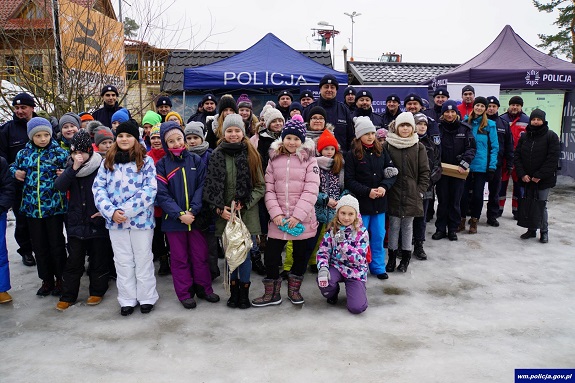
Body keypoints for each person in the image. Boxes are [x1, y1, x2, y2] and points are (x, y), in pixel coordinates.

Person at [92, 119, 159, 316]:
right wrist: (111, 212)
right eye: (120, 136)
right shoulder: (107, 162)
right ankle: (127, 298)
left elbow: (149, 189)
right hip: (115, 222)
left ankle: (147, 296)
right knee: (122, 260)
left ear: (136, 139)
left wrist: (127, 211)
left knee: (143, 258)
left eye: (128, 135)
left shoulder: (146, 162)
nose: (124, 139)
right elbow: (98, 189)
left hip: (141, 221)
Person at [252, 117, 320, 307]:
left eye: (296, 139)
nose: (292, 142)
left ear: (302, 140)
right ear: (283, 138)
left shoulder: (310, 160)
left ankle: (294, 289)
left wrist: (298, 215)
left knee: (300, 256)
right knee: (272, 256)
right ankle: (272, 293)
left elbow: (311, 189)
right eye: (288, 138)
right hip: (279, 219)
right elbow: (269, 189)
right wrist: (276, 214)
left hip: (302, 219)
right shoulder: (274, 160)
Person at [203, 114, 265, 309]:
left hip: (246, 213)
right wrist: (218, 208)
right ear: (223, 132)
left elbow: (260, 186)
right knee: (231, 254)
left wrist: (245, 203)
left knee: (245, 254)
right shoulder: (216, 155)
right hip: (225, 214)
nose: (233, 134)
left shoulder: (252, 154)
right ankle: (233, 289)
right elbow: (210, 188)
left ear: (243, 132)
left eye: (237, 130)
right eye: (229, 131)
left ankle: (244, 292)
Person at [156, 121, 219, 309]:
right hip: (174, 222)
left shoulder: (195, 160)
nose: (176, 144)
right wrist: (179, 214)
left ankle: (204, 288)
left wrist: (193, 210)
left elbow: (202, 186)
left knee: (200, 255)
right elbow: (162, 194)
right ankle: (185, 293)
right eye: (171, 141)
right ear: (165, 144)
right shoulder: (162, 165)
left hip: (195, 218)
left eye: (179, 139)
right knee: (179, 258)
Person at [10, 117, 68, 296]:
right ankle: (46, 280)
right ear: (31, 137)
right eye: (38, 135)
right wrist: (16, 172)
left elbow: (71, 169)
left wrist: (65, 172)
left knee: (56, 245)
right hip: (32, 208)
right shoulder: (24, 154)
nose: (43, 139)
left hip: (54, 207)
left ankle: (60, 279)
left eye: (46, 135)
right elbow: (12, 167)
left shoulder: (59, 153)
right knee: (39, 246)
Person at [54, 130, 112, 311]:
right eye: (75, 152)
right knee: (74, 261)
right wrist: (73, 169)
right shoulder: (71, 168)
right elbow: (59, 186)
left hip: (96, 221)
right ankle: (68, 295)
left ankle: (97, 290)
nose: (79, 155)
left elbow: (110, 190)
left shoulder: (101, 166)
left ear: (90, 150)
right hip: (76, 222)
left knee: (98, 259)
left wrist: (105, 211)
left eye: (82, 152)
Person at [345, 116, 397, 280]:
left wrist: (384, 186)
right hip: (362, 205)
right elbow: (349, 180)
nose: (370, 136)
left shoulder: (382, 151)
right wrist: (367, 191)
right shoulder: (352, 154)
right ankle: (358, 266)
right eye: (366, 133)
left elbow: (391, 172)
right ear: (359, 135)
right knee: (359, 237)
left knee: (379, 235)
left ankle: (378, 266)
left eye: (372, 133)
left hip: (380, 204)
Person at [383, 112, 430, 273]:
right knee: (394, 226)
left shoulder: (419, 146)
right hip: (393, 192)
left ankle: (405, 259)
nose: (405, 128)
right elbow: (383, 167)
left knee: (408, 226)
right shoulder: (388, 145)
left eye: (408, 125)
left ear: (413, 128)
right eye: (402, 125)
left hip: (412, 193)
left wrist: (419, 191)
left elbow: (425, 172)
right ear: (396, 127)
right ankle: (391, 258)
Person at [0, 92, 37, 266]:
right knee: (22, 221)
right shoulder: (7, 130)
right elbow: (2, 158)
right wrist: (12, 172)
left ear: (32, 107)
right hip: (18, 185)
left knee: (42, 221)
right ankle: (26, 251)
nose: (19, 111)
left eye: (23, 107)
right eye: (16, 108)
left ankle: (41, 248)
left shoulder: (43, 125)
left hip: (41, 185)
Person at [316, 195, 368, 314]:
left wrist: (343, 244)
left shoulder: (362, 232)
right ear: (337, 213)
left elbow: (359, 260)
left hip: (355, 271)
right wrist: (323, 267)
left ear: (356, 215)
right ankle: (333, 292)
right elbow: (323, 251)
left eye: (350, 214)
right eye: (343, 213)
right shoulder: (332, 230)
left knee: (357, 308)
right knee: (324, 280)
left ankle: (358, 291)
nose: (346, 217)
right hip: (336, 267)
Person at [432, 101, 476, 241]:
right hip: (442, 172)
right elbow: (432, 148)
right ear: (443, 114)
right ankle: (440, 229)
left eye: (452, 112)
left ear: (457, 113)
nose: (449, 115)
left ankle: (452, 229)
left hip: (458, 171)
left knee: (455, 201)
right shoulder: (437, 129)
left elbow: (471, 148)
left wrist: (464, 163)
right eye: (446, 112)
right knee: (443, 201)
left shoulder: (465, 129)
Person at [514, 109, 560, 243]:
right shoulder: (525, 136)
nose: (535, 122)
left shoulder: (551, 136)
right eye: (533, 119)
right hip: (527, 178)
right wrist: (522, 174)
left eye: (538, 119)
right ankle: (531, 229)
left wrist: (539, 175)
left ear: (543, 121)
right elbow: (517, 156)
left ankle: (544, 232)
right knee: (529, 204)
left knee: (541, 205)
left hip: (543, 179)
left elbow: (552, 159)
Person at [184, 121, 220, 281]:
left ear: (202, 138)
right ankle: (198, 272)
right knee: (196, 246)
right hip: (191, 207)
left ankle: (212, 272)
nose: (192, 141)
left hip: (209, 207)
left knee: (211, 244)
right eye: (189, 138)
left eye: (195, 137)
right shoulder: (183, 157)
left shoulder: (210, 155)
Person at [458, 97, 499, 234]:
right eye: (477, 105)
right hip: (466, 165)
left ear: (485, 109)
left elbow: (494, 147)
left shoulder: (490, 125)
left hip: (481, 166)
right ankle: (462, 220)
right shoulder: (465, 122)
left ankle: (474, 220)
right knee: (462, 195)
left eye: (482, 106)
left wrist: (492, 166)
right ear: (474, 106)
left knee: (477, 195)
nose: (479, 108)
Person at [412, 113, 441, 260]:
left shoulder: (431, 144)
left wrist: (427, 182)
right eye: (419, 123)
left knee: (421, 218)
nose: (422, 126)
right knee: (406, 218)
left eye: (424, 124)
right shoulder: (408, 142)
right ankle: (403, 245)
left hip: (426, 187)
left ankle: (419, 245)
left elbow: (437, 166)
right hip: (409, 188)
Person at [303, 74, 355, 153]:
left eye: (332, 87)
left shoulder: (344, 110)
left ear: (336, 90)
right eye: (326, 87)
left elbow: (350, 137)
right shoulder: (309, 110)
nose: (329, 90)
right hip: (313, 160)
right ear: (320, 89)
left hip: (340, 160)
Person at [499, 96, 530, 219]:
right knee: (501, 185)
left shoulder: (527, 120)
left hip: (520, 159)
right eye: (513, 104)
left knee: (519, 186)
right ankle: (498, 209)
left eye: (517, 105)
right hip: (505, 158)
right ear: (509, 105)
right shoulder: (502, 118)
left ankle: (517, 211)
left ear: (521, 107)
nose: (515, 107)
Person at [485, 96, 514, 227]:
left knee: (494, 191)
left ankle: (492, 216)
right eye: (489, 106)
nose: (491, 109)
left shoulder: (503, 124)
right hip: (480, 163)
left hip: (496, 164)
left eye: (493, 106)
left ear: (497, 108)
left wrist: (509, 163)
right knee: (475, 191)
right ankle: (472, 214)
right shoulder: (479, 122)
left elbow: (509, 145)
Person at [147, 125, 170, 275]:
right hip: (153, 207)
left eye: (158, 137)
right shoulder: (147, 156)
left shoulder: (170, 155)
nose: (156, 140)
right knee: (158, 236)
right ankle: (163, 260)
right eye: (153, 138)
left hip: (169, 204)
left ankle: (173, 258)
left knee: (171, 234)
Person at [0, 156, 15, 304]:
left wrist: (2, 206)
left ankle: (1, 288)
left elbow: (8, 187)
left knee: (0, 252)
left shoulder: (1, 162)